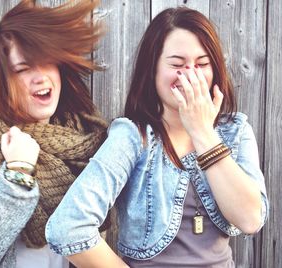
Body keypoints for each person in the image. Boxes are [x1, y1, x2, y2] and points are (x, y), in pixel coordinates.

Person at [46, 7, 269, 268]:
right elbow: (67, 227)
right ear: (152, 69)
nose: (191, 75)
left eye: (202, 64)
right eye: (177, 64)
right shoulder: (132, 137)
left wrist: (203, 132)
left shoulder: (236, 131)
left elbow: (251, 220)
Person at [0, 0, 109, 267]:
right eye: (23, 69)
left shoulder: (83, 138)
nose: (41, 77)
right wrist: (18, 174)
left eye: (46, 63)